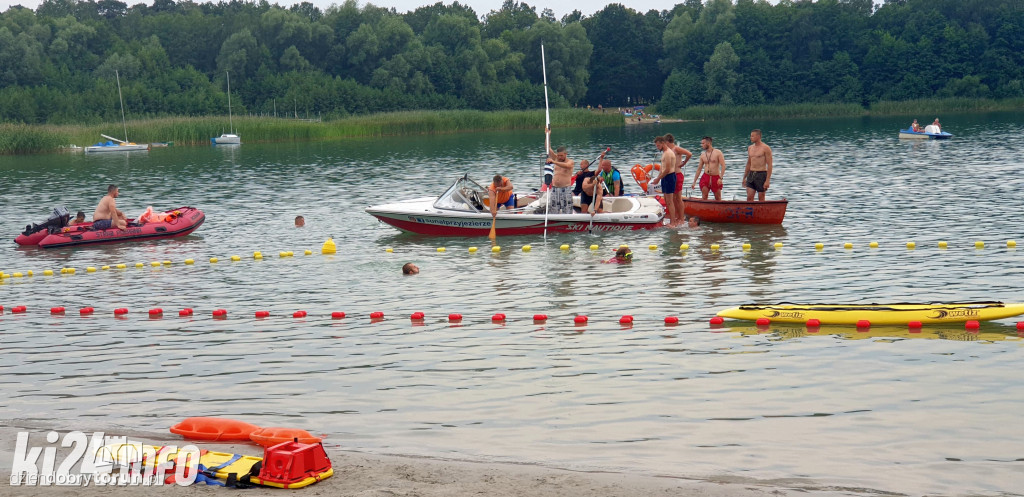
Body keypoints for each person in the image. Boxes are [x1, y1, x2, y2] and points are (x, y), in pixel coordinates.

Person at [652, 135, 681, 226]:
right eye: (656, 146)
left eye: (658, 145)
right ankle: (672, 220)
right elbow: (662, 167)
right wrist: (658, 177)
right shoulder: (664, 153)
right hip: (665, 177)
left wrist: (658, 179)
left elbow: (667, 169)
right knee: (666, 200)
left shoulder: (668, 153)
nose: (657, 147)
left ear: (663, 143)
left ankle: (673, 222)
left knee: (669, 201)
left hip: (669, 177)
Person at [545, 128, 574, 215]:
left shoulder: (570, 162)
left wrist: (553, 161)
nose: (559, 157)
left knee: (567, 210)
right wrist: (547, 135)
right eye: (558, 155)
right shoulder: (556, 158)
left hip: (565, 189)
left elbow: (567, 166)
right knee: (553, 209)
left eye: (561, 155)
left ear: (566, 154)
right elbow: (547, 148)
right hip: (555, 188)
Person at [665, 133, 691, 222]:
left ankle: (681, 218)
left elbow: (689, 154)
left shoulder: (676, 149)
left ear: (667, 142)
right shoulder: (668, 150)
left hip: (677, 174)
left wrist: (683, 163)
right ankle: (677, 216)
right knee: (673, 198)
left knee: (678, 197)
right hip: (671, 175)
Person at [743, 129, 773, 201]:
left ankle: (762, 211)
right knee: (749, 197)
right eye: (751, 136)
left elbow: (770, 165)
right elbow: (748, 163)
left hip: (761, 174)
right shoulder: (750, 148)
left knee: (761, 197)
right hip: (751, 173)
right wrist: (744, 177)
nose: (751, 138)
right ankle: (750, 211)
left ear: (758, 136)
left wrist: (767, 180)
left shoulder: (766, 148)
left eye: (753, 136)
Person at [692, 136, 725, 201]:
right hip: (706, 177)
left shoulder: (718, 152)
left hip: (715, 177)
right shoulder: (703, 155)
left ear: (708, 143)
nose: (702, 145)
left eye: (703, 143)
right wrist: (694, 181)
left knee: (718, 198)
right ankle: (705, 209)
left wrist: (720, 178)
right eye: (701, 143)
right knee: (704, 196)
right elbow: (699, 169)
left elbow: (723, 165)